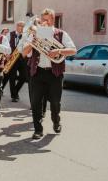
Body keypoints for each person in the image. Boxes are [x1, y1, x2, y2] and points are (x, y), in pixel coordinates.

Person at [23, 8, 76, 140]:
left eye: (47, 19)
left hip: (54, 74)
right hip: (38, 72)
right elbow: (24, 52)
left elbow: (73, 50)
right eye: (43, 19)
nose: (44, 22)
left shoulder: (61, 34)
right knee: (35, 103)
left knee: (55, 103)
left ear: (52, 20)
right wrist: (33, 40)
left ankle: (56, 121)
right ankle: (38, 130)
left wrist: (59, 51)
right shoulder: (35, 34)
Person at [3, 21, 27, 102]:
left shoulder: (25, 36)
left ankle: (15, 91)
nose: (22, 28)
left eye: (23, 26)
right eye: (20, 26)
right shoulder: (10, 34)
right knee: (12, 77)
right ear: (17, 26)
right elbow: (5, 46)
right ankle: (14, 96)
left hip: (22, 58)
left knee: (24, 76)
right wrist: (7, 55)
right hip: (12, 58)